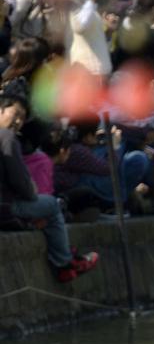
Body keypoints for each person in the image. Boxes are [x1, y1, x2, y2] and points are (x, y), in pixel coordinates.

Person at [0, 86, 98, 281]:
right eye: (16, 114)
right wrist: (31, 189)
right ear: (1, 109)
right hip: (5, 208)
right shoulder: (7, 137)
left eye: (22, 118)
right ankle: (64, 263)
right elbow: (24, 186)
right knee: (52, 205)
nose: (18, 122)